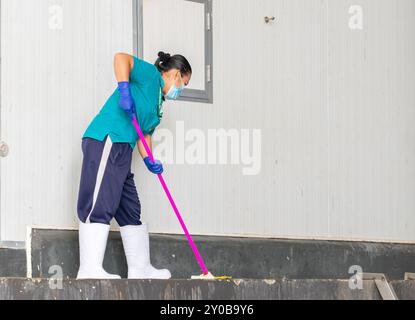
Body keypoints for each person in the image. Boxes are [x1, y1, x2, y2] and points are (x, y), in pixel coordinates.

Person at [76, 51, 192, 279]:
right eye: (183, 84)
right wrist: (124, 90)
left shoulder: (158, 104)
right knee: (100, 201)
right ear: (176, 75)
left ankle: (140, 268)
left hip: (124, 148)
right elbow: (121, 59)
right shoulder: (150, 75)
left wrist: (150, 159)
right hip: (108, 138)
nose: (181, 90)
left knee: (130, 208)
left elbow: (144, 135)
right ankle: (89, 269)